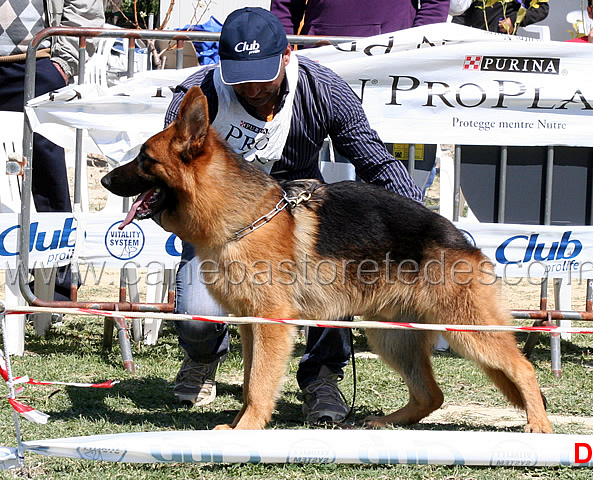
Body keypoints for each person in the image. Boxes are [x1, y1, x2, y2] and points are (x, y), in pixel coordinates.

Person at [165, 7, 423, 424]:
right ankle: (202, 358)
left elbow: (377, 163)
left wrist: (420, 225)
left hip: (298, 217)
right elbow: (174, 178)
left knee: (332, 281)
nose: (251, 87)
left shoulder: (323, 88)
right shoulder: (197, 97)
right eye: (240, 76)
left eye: (262, 73)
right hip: (221, 231)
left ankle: (322, 378)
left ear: (287, 55)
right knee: (199, 315)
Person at [0, 0, 104, 300]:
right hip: (37, 59)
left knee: (47, 173)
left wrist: (64, 61)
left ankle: (57, 286)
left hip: (39, 59)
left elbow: (85, 5)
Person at [270, 0, 450, 38]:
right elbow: (284, 6)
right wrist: (281, 49)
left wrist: (418, 43)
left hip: (390, 58)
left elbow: (435, 4)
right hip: (319, 54)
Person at [452, 0, 549, 35]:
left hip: (503, 41)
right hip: (475, 40)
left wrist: (514, 20)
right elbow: (463, 13)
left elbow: (542, 9)